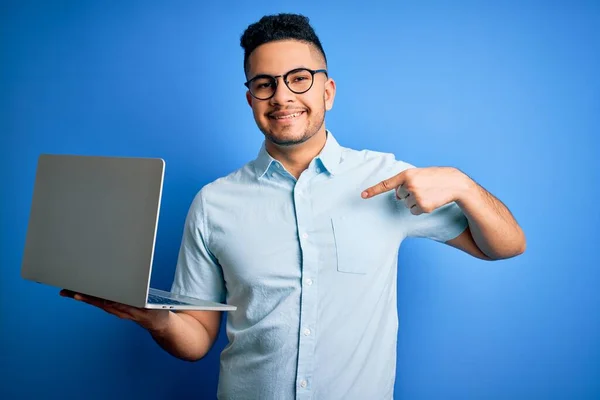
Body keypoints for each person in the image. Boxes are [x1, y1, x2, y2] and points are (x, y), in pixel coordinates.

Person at [61, 13, 526, 400]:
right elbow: (197, 337)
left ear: (327, 90)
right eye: (264, 84)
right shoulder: (213, 203)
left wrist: (463, 185)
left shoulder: (388, 180)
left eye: (298, 79)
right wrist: (157, 319)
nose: (282, 95)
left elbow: (505, 246)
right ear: (250, 99)